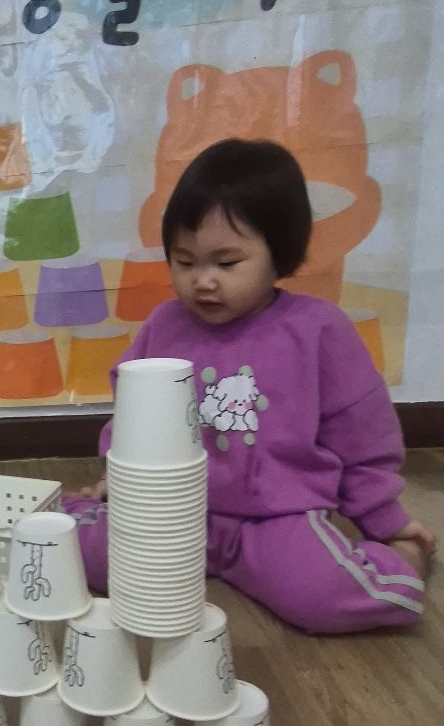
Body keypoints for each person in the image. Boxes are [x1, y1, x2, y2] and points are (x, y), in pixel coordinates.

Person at [65, 138, 435, 632]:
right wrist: (121, 482)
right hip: (172, 514)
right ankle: (84, 512)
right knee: (68, 552)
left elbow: (364, 440)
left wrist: (387, 521)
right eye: (185, 261)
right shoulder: (163, 325)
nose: (203, 281)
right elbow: (132, 418)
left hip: (276, 521)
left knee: (324, 596)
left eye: (226, 263)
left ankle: (403, 561)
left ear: (278, 255)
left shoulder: (318, 329)